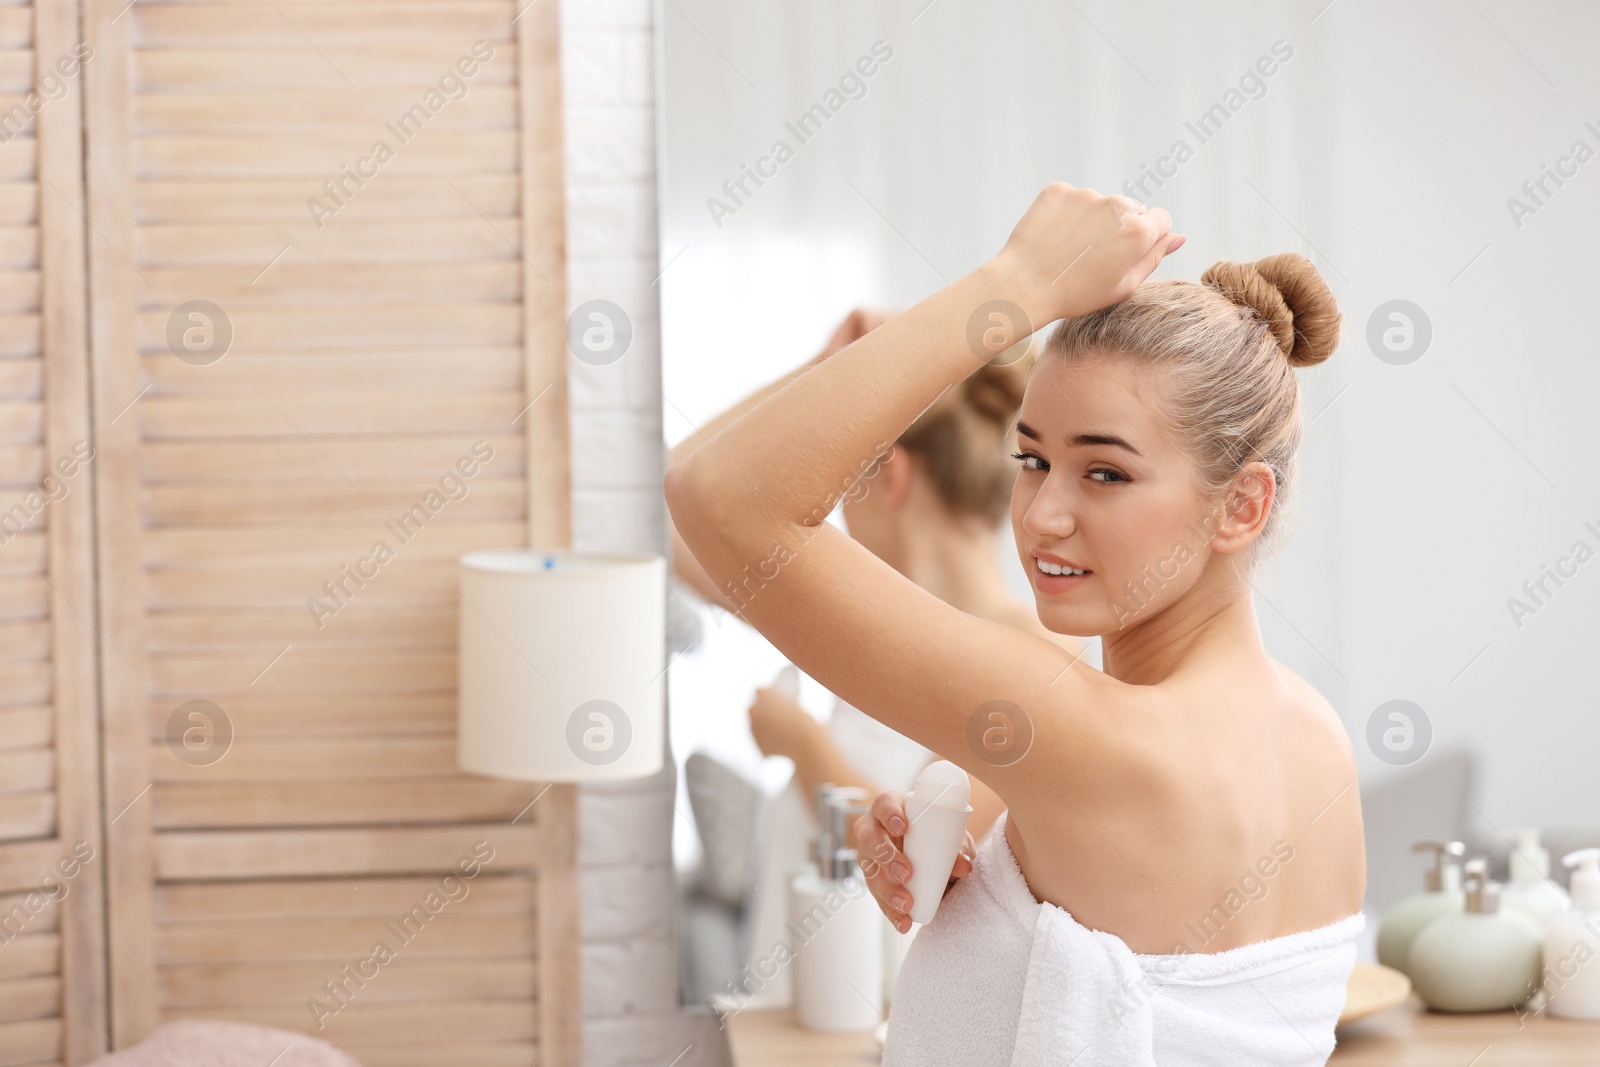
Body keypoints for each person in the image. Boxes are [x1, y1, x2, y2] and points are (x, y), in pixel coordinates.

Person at [666, 183, 1366, 1065]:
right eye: (1033, 459)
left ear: (1241, 506)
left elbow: (716, 496)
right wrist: (984, 870)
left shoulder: (1092, 736)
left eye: (1105, 473)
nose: (1040, 515)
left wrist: (1022, 280)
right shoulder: (1318, 742)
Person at [668, 308, 1084, 847]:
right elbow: (678, 506)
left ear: (889, 472)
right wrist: (822, 370)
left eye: (848, 475)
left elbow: (926, 849)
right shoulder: (854, 612)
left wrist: (801, 743)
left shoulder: (1038, 653)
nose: (836, 504)